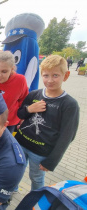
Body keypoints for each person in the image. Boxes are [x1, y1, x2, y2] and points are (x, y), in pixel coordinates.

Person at [15, 55, 79, 191]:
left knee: (36, 178)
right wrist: (29, 109)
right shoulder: (34, 95)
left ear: (65, 76)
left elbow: (67, 136)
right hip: (21, 143)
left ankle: (35, 201)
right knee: (15, 171)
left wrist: (52, 161)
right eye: (45, 75)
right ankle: (11, 191)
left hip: (40, 152)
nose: (49, 80)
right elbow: (20, 114)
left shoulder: (69, 104)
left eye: (55, 75)